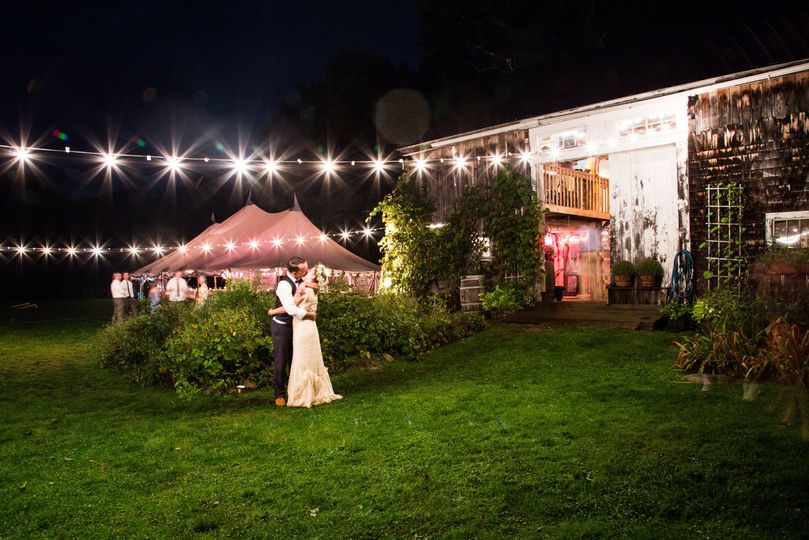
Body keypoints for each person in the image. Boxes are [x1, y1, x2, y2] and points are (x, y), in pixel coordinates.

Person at [269, 270, 342, 408]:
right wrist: (307, 284)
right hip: (309, 328)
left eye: (311, 271)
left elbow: (290, 308)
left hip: (301, 327)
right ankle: (300, 392)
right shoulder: (312, 287)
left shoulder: (304, 289)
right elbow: (315, 288)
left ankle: (300, 394)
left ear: (314, 276)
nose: (307, 271)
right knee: (304, 359)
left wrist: (272, 311)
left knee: (298, 360)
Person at [269, 257, 316, 407]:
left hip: (298, 327)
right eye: (303, 270)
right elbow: (290, 309)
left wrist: (306, 283)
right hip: (282, 326)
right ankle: (279, 394)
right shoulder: (284, 285)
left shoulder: (302, 280)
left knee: (296, 360)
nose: (306, 271)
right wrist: (308, 315)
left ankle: (295, 391)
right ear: (295, 273)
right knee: (281, 361)